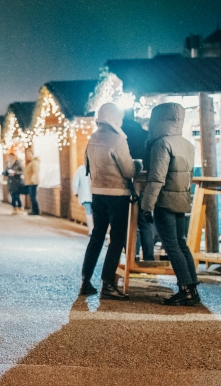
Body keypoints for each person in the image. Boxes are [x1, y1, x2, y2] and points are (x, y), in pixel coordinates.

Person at [139, 103, 199, 306]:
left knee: (172, 246)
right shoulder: (187, 144)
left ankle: (185, 289)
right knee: (181, 244)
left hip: (164, 202)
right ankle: (193, 288)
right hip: (182, 200)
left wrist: (146, 206)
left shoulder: (161, 144)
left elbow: (156, 178)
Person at [79, 103, 139, 300]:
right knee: (117, 239)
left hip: (97, 193)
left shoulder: (93, 137)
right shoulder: (117, 139)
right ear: (114, 117)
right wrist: (138, 165)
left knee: (97, 236)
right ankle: (108, 284)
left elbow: (86, 164)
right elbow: (128, 170)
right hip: (117, 194)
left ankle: (85, 281)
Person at [123, 110, 154, 262]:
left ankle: (131, 257)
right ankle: (148, 258)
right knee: (145, 221)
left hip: (125, 182)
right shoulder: (145, 135)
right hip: (144, 182)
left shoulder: (120, 136)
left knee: (127, 222)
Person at [72, 164, 93, 235]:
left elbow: (75, 181)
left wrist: (75, 192)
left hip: (85, 195)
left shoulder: (80, 169)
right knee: (96, 212)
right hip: (95, 195)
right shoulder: (95, 167)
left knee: (88, 212)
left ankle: (91, 230)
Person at [24, 148, 40, 215]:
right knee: (31, 197)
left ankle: (35, 211)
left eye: (29, 154)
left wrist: (33, 180)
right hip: (30, 182)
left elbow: (35, 172)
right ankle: (33, 210)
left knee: (33, 197)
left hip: (33, 182)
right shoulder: (30, 162)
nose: (27, 156)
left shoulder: (34, 162)